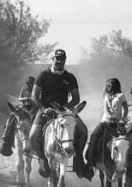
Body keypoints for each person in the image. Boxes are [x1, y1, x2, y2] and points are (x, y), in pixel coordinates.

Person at [28, 48, 92, 179]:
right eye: (57, 58)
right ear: (53, 59)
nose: (59, 61)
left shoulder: (70, 77)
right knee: (33, 135)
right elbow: (34, 96)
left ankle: (78, 160)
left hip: (64, 111)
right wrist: (43, 108)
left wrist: (64, 108)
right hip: (46, 110)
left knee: (83, 130)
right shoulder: (43, 75)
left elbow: (76, 98)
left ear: (65, 60)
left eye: (62, 59)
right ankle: (42, 159)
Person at [85, 78, 128, 169]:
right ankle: (90, 161)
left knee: (128, 138)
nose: (107, 87)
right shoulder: (106, 96)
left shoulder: (121, 96)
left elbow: (126, 109)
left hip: (118, 123)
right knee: (94, 135)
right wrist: (110, 116)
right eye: (106, 85)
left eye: (109, 85)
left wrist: (122, 120)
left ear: (115, 86)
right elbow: (106, 109)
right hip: (105, 121)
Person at [0, 75, 37, 156]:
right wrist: (25, 99)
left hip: (34, 108)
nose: (28, 85)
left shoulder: (36, 90)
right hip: (24, 107)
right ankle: (6, 135)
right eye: (28, 83)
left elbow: (37, 99)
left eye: (30, 84)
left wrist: (31, 100)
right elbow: (20, 98)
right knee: (12, 116)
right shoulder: (23, 89)